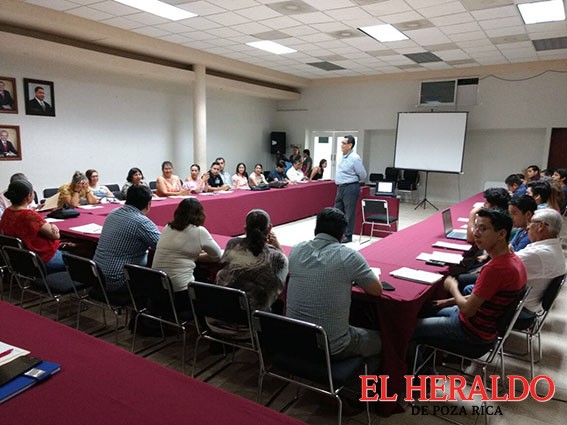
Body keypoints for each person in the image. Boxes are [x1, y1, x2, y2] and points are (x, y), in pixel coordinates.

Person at [411, 208, 526, 368]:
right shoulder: (514, 260)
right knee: (429, 309)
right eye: (476, 227)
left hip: (471, 331)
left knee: (409, 330)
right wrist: (447, 302)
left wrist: (453, 287)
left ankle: (422, 376)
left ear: (501, 234)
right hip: (479, 324)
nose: (476, 233)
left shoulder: (495, 269)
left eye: (483, 229)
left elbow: (467, 310)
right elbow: (482, 297)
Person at [286, 207, 382, 371]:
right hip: (333, 347)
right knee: (382, 339)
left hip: (294, 340)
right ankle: (364, 381)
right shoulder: (349, 257)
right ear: (342, 235)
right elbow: (376, 290)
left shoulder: (296, 250)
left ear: (316, 228)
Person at [211, 209, 288, 336]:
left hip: (217, 320)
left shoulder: (232, 245)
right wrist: (277, 246)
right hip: (250, 326)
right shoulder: (277, 257)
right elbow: (283, 275)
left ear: (245, 229)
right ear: (270, 229)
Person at [152, 198, 221, 313]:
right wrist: (195, 256)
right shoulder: (199, 231)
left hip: (157, 291)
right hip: (180, 294)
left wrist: (190, 256)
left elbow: (178, 253)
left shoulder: (167, 227)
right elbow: (217, 256)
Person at [93, 185, 160, 293]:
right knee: (162, 281)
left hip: (96, 277)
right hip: (119, 281)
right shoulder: (142, 222)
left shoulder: (112, 213)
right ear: (148, 204)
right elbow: (162, 246)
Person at [0, 180, 66, 274]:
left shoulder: (7, 213)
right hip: (42, 259)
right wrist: (53, 226)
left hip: (20, 261)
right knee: (81, 257)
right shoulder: (29, 215)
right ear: (28, 196)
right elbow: (56, 235)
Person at [334, 135, 367, 243]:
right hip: (341, 187)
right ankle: (337, 233)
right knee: (337, 211)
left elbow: (363, 174)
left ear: (350, 145)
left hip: (350, 187)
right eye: (342, 143)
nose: (341, 145)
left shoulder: (355, 158)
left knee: (349, 212)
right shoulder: (342, 157)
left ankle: (348, 235)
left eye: (344, 143)